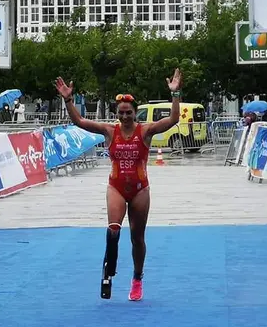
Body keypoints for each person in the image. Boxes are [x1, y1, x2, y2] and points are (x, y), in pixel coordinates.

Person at [54, 69, 183, 301]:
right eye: (121, 113)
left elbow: (173, 120)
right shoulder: (109, 131)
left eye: (129, 113)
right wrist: (68, 100)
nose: (125, 117)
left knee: (137, 238)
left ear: (135, 113)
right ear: (116, 113)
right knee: (113, 229)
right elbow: (79, 121)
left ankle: (137, 278)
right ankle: (108, 271)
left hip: (140, 189)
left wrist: (176, 94)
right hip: (116, 187)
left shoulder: (145, 131)